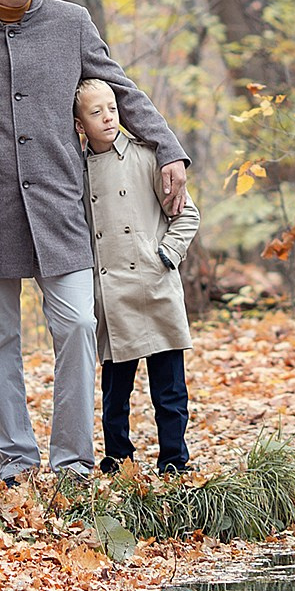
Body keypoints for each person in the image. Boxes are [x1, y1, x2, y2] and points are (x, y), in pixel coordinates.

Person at [0, 0, 190, 483]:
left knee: (80, 326)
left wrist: (167, 150)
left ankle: (73, 463)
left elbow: (122, 88)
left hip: (62, 207)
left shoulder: (70, 22)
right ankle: (16, 460)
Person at [74, 79, 200, 473]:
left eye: (112, 108)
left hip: (155, 281)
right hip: (111, 292)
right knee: (115, 390)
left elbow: (187, 215)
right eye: (96, 113)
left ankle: (175, 460)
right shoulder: (76, 171)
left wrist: (165, 254)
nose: (108, 117)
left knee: (170, 388)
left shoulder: (148, 158)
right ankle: (118, 461)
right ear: (80, 125)